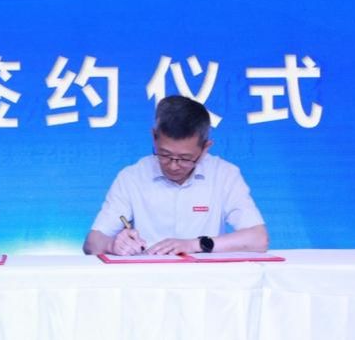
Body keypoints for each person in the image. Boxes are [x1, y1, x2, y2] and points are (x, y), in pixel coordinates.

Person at [83, 95, 268, 256]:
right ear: (154, 137)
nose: (173, 165)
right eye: (164, 155)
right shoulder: (131, 177)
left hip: (206, 279)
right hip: (146, 279)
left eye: (185, 158)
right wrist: (112, 245)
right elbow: (92, 243)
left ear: (205, 148)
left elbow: (259, 239)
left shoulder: (224, 175)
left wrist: (195, 245)